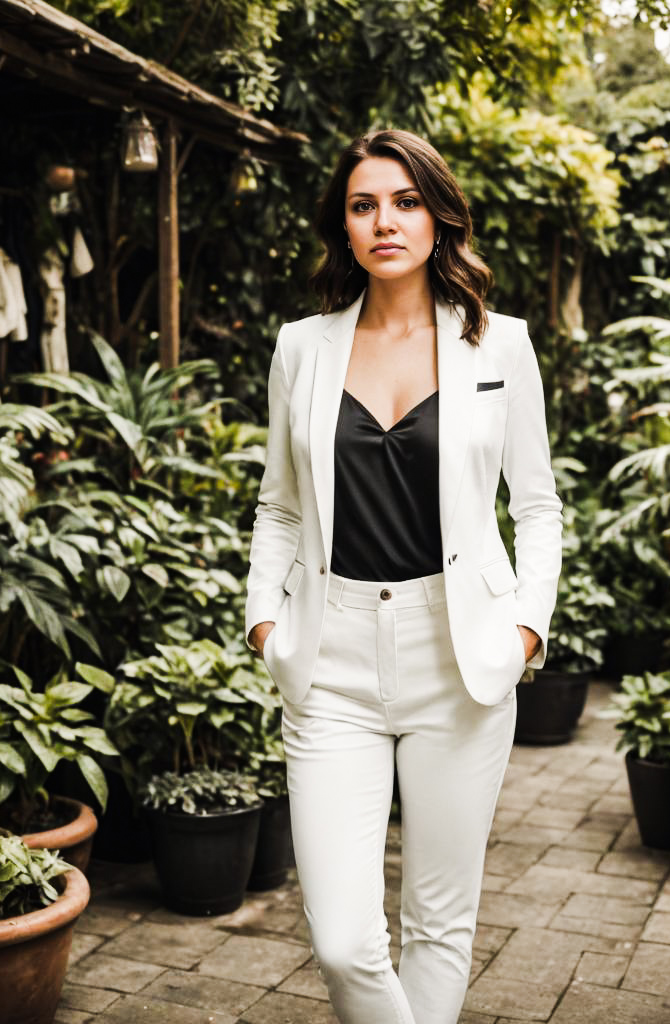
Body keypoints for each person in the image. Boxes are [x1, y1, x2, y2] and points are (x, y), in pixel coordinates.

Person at [245, 129, 562, 1024]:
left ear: (436, 216)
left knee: (438, 924)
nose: (384, 220)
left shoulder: (502, 346)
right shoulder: (302, 347)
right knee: (345, 940)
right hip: (330, 656)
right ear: (343, 227)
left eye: (404, 201)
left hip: (458, 656)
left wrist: (526, 629)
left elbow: (537, 505)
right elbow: (279, 505)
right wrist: (265, 621)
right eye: (362, 204)